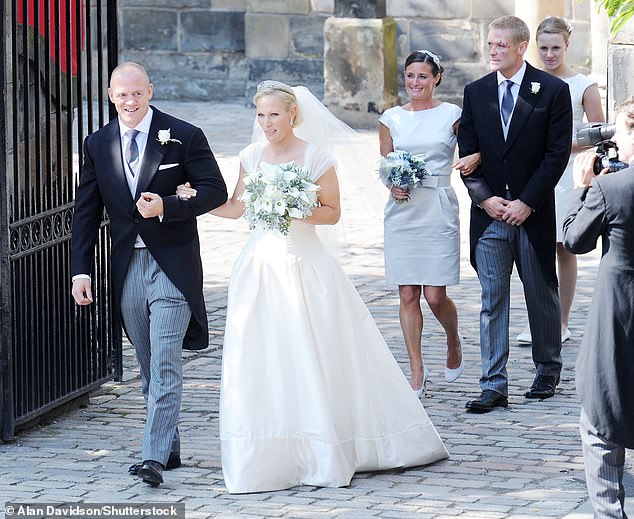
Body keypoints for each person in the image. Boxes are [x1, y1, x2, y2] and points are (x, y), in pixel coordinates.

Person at [178, 80, 449, 493]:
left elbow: (333, 213)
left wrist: (293, 206)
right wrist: (194, 199)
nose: (266, 123)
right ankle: (270, 454)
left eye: (274, 114)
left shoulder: (316, 157)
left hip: (304, 265)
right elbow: (237, 207)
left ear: (292, 114)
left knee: (311, 351)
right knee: (263, 357)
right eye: (261, 115)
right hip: (259, 267)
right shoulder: (251, 156)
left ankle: (324, 446)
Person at [70, 62, 228, 487]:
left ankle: (152, 457)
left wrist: (169, 207)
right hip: (126, 269)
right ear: (109, 95)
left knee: (165, 363)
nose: (130, 100)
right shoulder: (97, 143)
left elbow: (216, 190)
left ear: (150, 91)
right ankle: (168, 444)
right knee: (146, 364)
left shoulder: (184, 134)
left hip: (173, 265)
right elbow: (86, 212)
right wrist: (80, 272)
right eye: (121, 94)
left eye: (137, 92)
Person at [457, 15, 572, 412]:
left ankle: (547, 369)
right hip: (489, 215)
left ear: (522, 47)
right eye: (490, 44)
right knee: (492, 299)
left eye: (501, 45)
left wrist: (528, 202)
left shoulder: (552, 91)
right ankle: (493, 384)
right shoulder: (475, 92)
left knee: (541, 294)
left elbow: (556, 155)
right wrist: (485, 199)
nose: (493, 50)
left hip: (532, 213)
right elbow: (467, 155)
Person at [378, 49, 479, 396]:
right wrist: (394, 185)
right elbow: (386, 164)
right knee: (408, 292)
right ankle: (416, 369)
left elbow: (472, 149)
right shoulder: (390, 118)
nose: (415, 82)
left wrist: (475, 156)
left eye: (423, 76)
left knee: (435, 296)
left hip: (437, 205)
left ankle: (453, 341)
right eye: (410, 76)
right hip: (403, 211)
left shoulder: (452, 114)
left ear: (436, 78)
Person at [563, 96, 634, 519]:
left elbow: (574, 240)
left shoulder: (613, 187)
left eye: (620, 131)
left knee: (600, 412)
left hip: (619, 304)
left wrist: (582, 187)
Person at [515, 16, 605, 345]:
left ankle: (562, 322)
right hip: (532, 174)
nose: (550, 54)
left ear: (567, 46)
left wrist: (559, 148)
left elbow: (597, 132)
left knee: (564, 247)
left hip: (567, 171)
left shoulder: (582, 85)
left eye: (555, 47)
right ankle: (538, 320)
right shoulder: (526, 81)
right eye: (543, 48)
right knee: (533, 249)